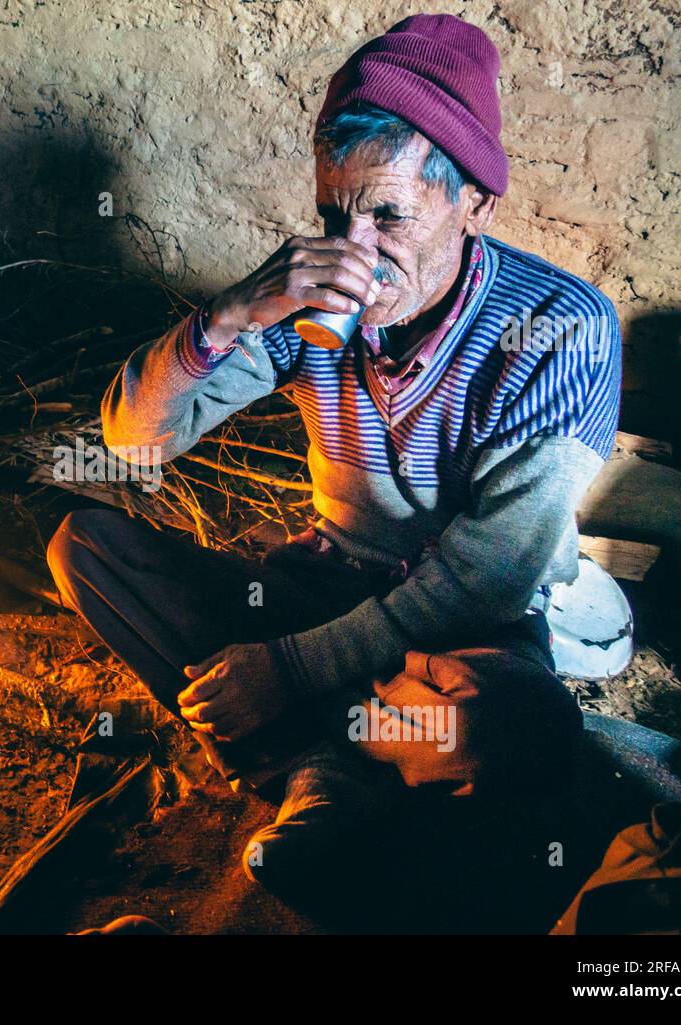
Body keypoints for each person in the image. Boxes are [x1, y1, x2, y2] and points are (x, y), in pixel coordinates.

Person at [48, 14, 620, 905]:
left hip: (462, 636)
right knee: (84, 547)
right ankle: (324, 765)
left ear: (476, 204)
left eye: (390, 214)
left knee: (508, 724)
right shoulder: (315, 306)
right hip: (322, 586)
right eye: (333, 215)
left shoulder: (561, 327)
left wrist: (285, 669)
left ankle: (323, 764)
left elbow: (490, 577)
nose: (357, 253)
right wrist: (233, 313)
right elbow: (132, 441)